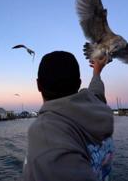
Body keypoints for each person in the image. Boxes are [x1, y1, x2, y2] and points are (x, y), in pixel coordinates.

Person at [23, 51, 114, 181]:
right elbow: (96, 91)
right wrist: (97, 71)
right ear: (78, 83)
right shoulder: (95, 105)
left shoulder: (46, 132)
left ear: (38, 85)